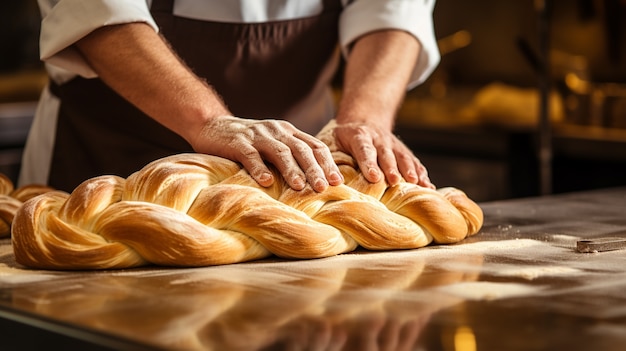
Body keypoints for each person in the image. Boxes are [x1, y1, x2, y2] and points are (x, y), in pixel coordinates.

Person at [20, 0, 441, 193]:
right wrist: (207, 121)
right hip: (106, 173)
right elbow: (98, 10)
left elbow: (393, 8)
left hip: (297, 181)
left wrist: (366, 118)